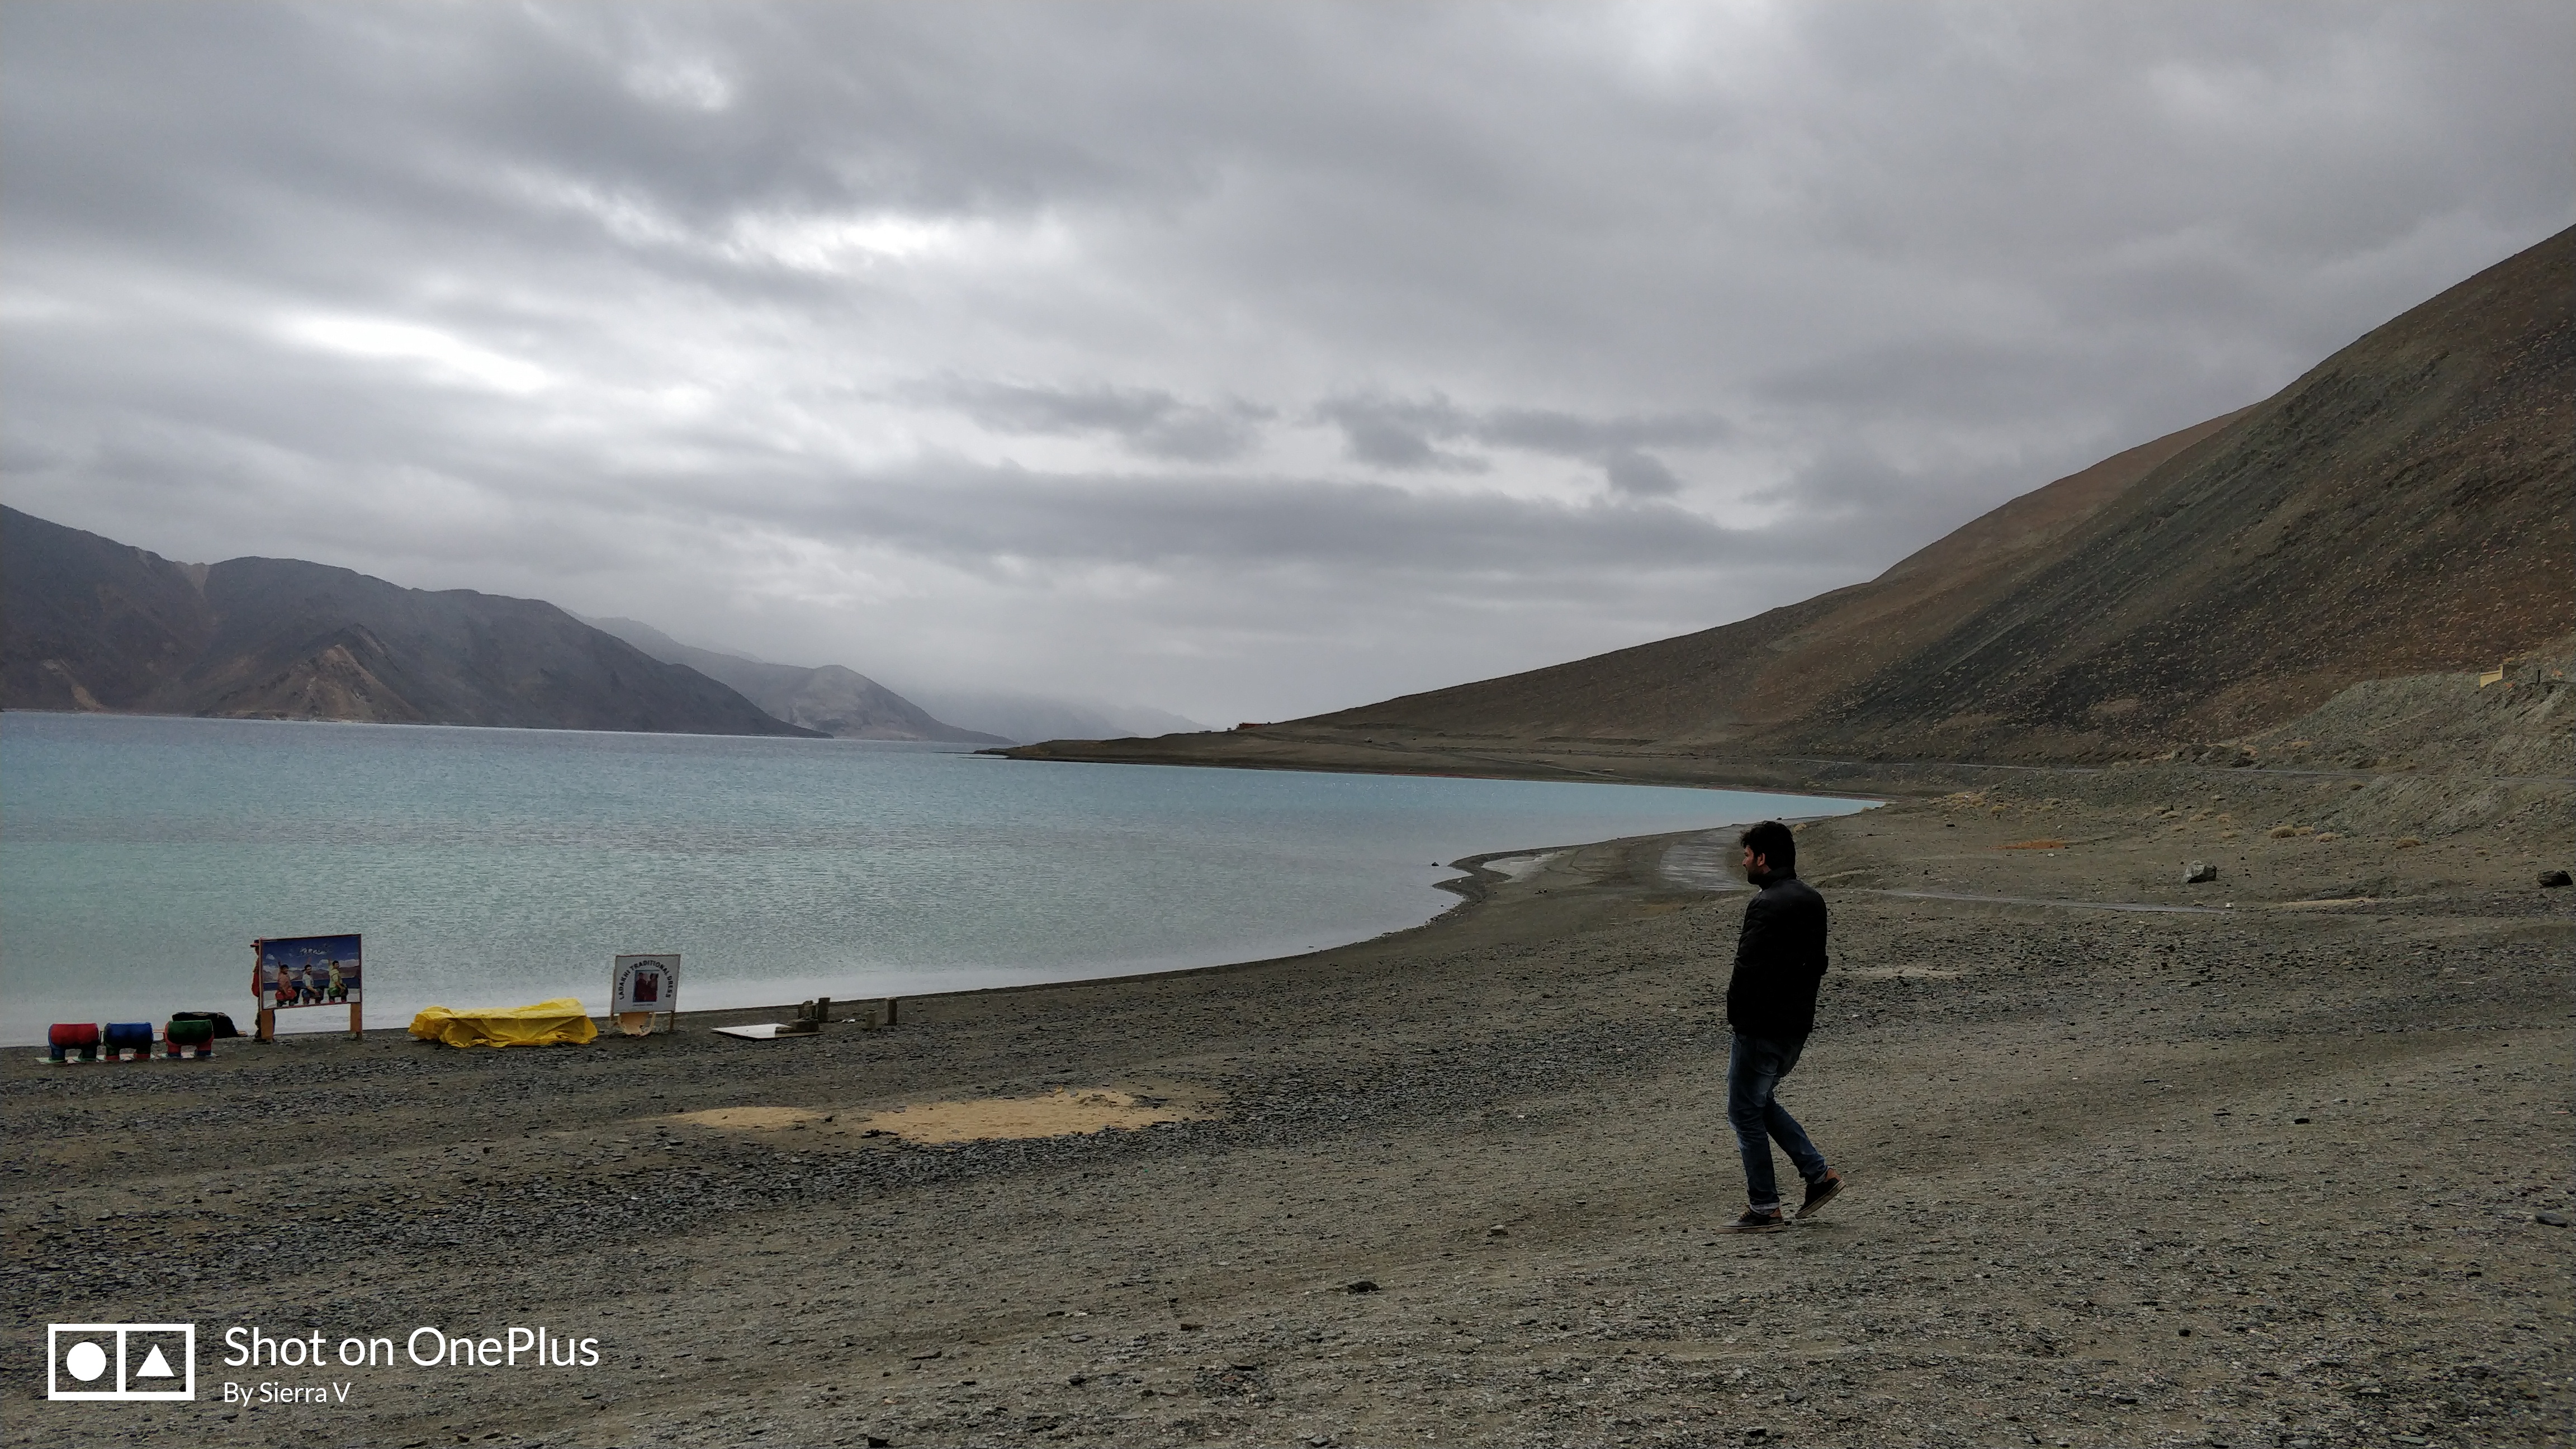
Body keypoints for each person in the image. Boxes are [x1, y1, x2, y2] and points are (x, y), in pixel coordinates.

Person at [1718, 819, 1844, 1232]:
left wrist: (1736, 1015)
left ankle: (1765, 1207)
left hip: (1762, 1026)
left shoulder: (1766, 904)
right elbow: (1817, 965)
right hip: (1796, 1026)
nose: (1744, 862)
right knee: (1760, 1102)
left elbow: (1748, 966)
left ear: (1763, 859)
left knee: (1744, 1111)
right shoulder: (1813, 899)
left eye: (1748, 856)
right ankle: (1819, 1177)